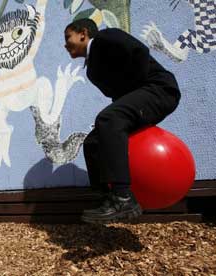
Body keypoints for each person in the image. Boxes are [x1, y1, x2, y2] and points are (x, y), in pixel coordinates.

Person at [64, 19, 181, 224]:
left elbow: (140, 52)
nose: (66, 45)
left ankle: (123, 196)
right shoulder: (92, 70)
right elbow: (116, 96)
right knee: (93, 140)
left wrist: (136, 90)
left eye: (68, 38)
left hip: (159, 89)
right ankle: (106, 197)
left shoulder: (105, 38)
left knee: (108, 118)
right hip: (142, 95)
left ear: (83, 33)